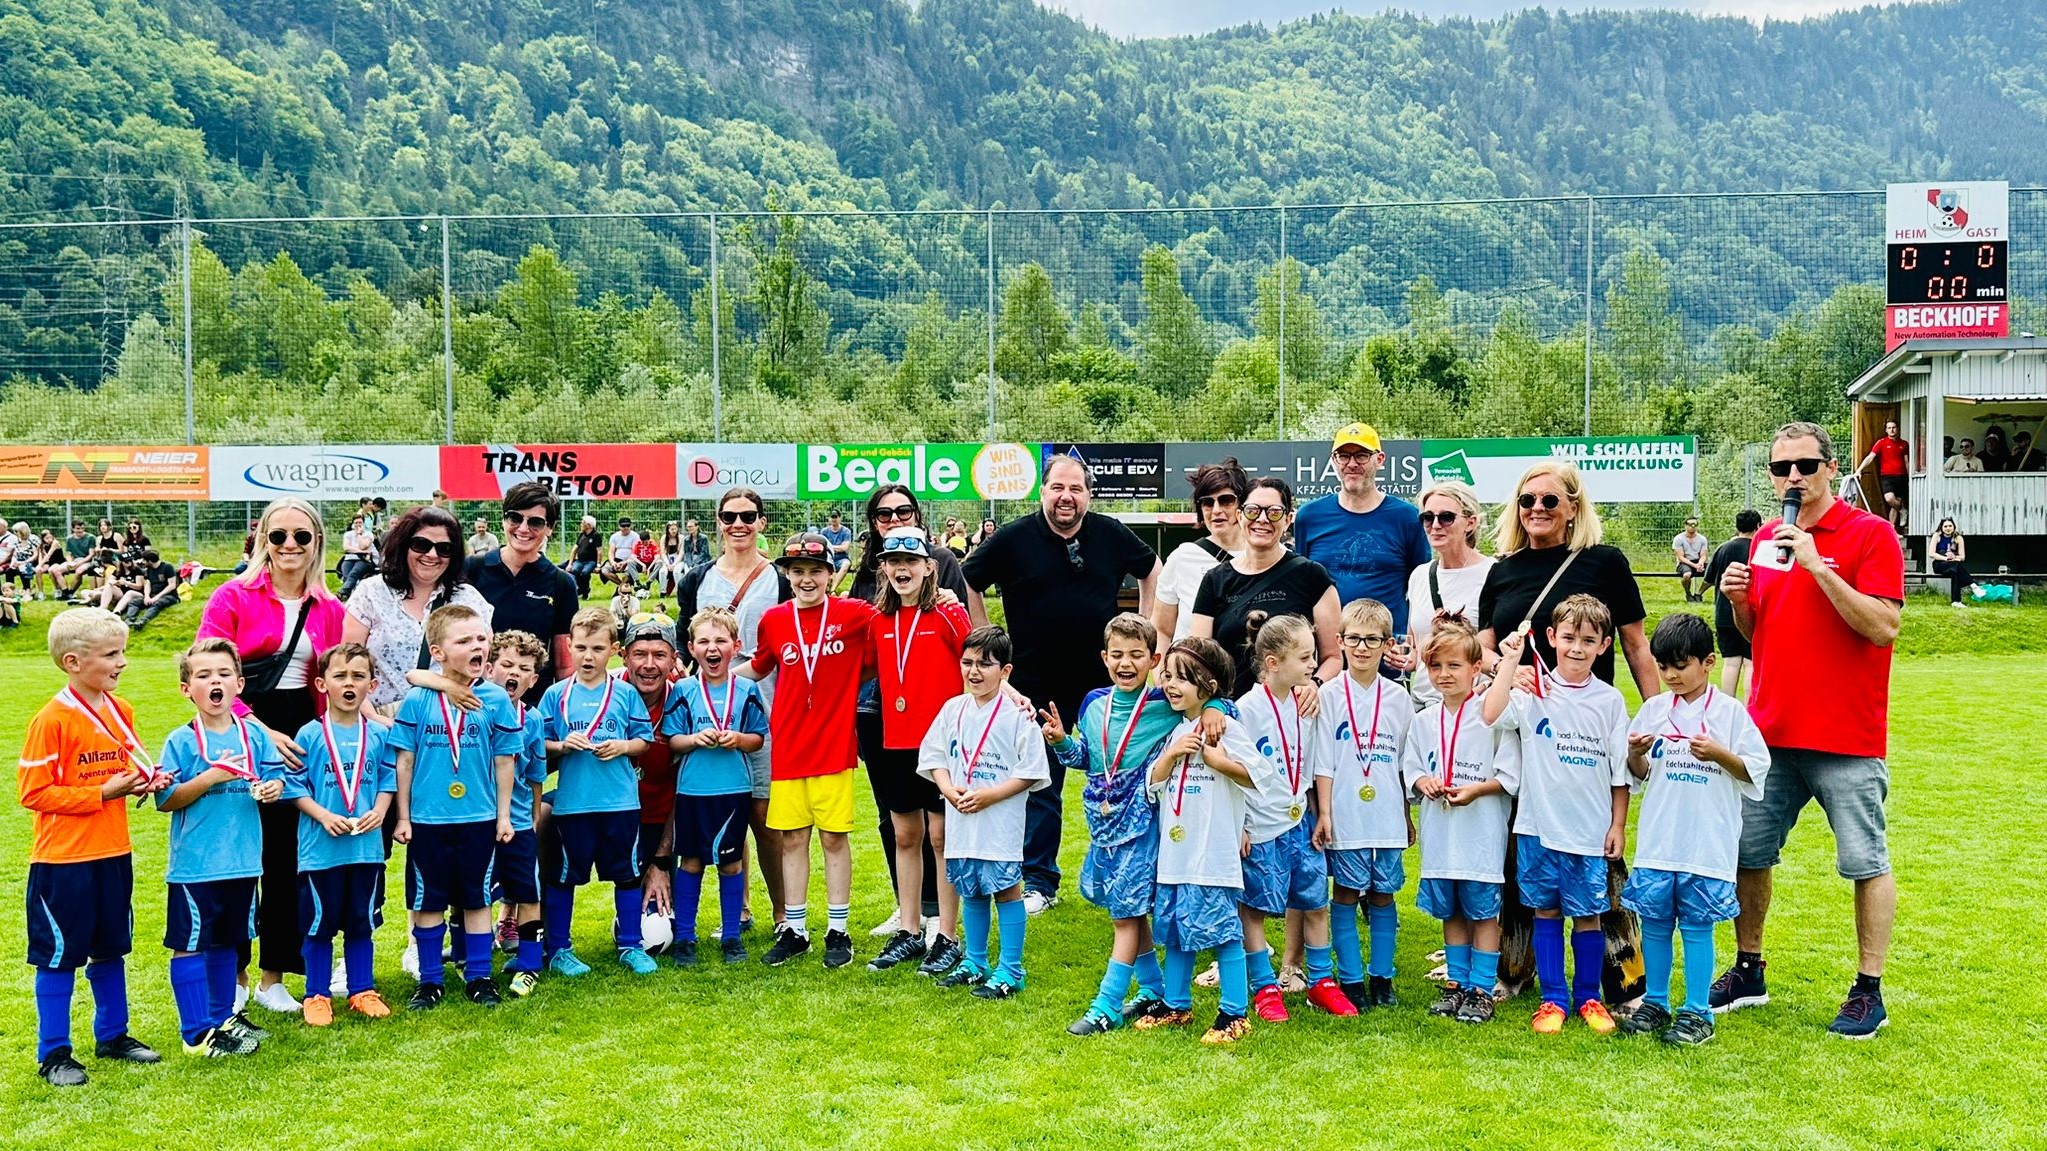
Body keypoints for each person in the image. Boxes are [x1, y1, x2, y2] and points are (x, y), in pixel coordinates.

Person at [1715, 421, 1903, 1039]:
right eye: (1781, 468)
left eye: (1804, 465)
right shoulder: (1766, 538)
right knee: (1748, 853)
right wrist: (1740, 602)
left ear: (1831, 468)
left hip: (1846, 736)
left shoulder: (1870, 534)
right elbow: (1758, 633)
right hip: (1771, 733)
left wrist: (1819, 567)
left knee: (1864, 862)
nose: (1792, 477)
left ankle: (1868, 990)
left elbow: (1883, 627)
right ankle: (1749, 969)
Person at [965, 455, 1159, 913]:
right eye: (1057, 487)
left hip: (1102, 686)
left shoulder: (1110, 533)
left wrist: (1144, 628)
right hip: (1034, 684)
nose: (1066, 497)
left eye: (1075, 489)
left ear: (1088, 494)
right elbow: (969, 579)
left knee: (1118, 779)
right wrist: (988, 641)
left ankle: (1125, 872)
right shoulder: (1012, 538)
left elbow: (1152, 569)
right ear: (1043, 492)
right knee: (1041, 784)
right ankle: (1039, 881)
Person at [196, 497, 347, 1015]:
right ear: (263, 538)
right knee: (238, 857)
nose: (289, 545)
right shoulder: (232, 596)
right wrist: (259, 731)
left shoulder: (329, 607)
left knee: (287, 858)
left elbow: (331, 681)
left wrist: (328, 741)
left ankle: (274, 976)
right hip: (240, 727)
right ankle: (235, 973)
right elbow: (209, 669)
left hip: (300, 733)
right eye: (278, 535)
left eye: (301, 536)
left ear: (316, 543)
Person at [18, 608, 170, 1086]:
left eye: (122, 651)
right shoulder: (51, 720)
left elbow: (124, 770)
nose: (122, 662)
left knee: (110, 949)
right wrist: (100, 793)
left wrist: (146, 781)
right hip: (63, 861)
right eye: (111, 654)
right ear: (73, 662)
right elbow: (33, 793)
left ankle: (113, 1035)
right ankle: (54, 1053)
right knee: (59, 955)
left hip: (113, 852)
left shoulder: (120, 709)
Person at [1618, 614, 1771, 1047]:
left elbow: (1755, 770)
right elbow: (1640, 773)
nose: (1671, 675)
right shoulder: (1654, 710)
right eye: (1663, 666)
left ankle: (1698, 1011)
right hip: (1660, 842)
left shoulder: (1730, 714)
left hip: (1705, 845)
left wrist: (1720, 754)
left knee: (1697, 926)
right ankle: (1656, 1002)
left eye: (1681, 666)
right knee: (1655, 923)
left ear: (1708, 662)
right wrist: (1635, 753)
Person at [1484, 597, 1631, 1036]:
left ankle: (1588, 997)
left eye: (1588, 640)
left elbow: (1619, 772)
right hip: (1538, 829)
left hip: (1588, 832)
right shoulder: (1532, 693)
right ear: (1551, 638)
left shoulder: (1610, 701)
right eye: (1568, 638)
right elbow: (1491, 713)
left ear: (1604, 645)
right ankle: (1552, 999)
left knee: (1588, 915)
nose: (1576, 648)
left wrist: (1617, 824)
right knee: (1546, 912)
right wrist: (1510, 662)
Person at [746, 532, 877, 969]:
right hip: (788, 747)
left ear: (829, 574)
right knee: (792, 839)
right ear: (787, 574)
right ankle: (796, 929)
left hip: (834, 746)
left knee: (834, 838)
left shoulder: (854, 614)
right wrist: (708, 679)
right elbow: (760, 666)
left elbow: (887, 636)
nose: (806, 579)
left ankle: (838, 929)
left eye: (816, 571)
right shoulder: (774, 619)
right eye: (798, 571)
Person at [155, 638, 289, 1061]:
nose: (215, 681)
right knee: (191, 943)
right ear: (187, 689)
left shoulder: (254, 734)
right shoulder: (181, 740)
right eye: (204, 675)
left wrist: (273, 788)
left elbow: (276, 776)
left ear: (239, 684)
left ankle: (221, 1020)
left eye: (224, 673)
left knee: (228, 942)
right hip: (196, 866)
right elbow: (166, 799)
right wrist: (211, 777)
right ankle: (195, 1034)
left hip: (243, 861)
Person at [1047, 613, 1180, 1034]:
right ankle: (1154, 989)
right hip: (1102, 825)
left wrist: (1213, 707)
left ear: (1154, 660)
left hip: (1142, 825)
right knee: (1127, 911)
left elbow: (1217, 704)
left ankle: (1106, 1005)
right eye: (1117, 654)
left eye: (1137, 655)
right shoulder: (1093, 703)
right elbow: (1088, 758)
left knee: (1125, 916)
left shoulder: (1166, 704)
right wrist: (1062, 742)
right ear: (1104, 657)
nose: (1126, 663)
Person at [848, 484, 970, 940]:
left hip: (940, 743)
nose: (902, 569)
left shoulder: (948, 613)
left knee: (941, 836)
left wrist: (1010, 695)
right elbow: (857, 669)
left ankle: (946, 932)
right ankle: (909, 926)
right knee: (904, 834)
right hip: (894, 738)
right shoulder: (878, 621)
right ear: (882, 567)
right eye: (893, 561)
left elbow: (977, 662)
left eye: (911, 561)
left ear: (928, 566)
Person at [389, 604, 521, 1010]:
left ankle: (479, 976)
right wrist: (403, 816)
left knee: (477, 899)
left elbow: (504, 761)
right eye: (464, 640)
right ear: (438, 652)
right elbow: (405, 761)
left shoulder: (495, 699)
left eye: (481, 638)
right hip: (427, 820)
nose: (477, 646)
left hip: (478, 819)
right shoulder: (418, 700)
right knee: (428, 902)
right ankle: (430, 981)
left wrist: (503, 815)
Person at [1134, 637, 1264, 1046]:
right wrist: (1170, 756)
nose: (1170, 685)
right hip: (1176, 856)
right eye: (1167, 676)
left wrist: (1219, 762)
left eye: (1182, 678)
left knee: (1223, 930)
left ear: (1208, 685)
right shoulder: (1176, 731)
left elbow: (1262, 778)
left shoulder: (1225, 729)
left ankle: (1234, 1013)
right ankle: (1176, 1004)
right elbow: (1151, 787)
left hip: (1212, 855)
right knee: (1176, 929)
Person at [673, 488, 793, 933]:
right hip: (706, 715)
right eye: (729, 516)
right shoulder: (697, 578)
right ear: (718, 521)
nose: (738, 524)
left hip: (763, 712)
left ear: (762, 521)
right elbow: (685, 641)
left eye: (747, 516)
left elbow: (786, 646)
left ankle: (783, 912)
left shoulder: (778, 579)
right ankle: (738, 910)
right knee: (730, 811)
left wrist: (735, 678)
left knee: (764, 816)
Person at [1234, 614, 1356, 1021]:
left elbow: (1318, 760)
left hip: (1301, 821)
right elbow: (1234, 774)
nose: (1313, 664)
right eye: (1305, 657)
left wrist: (1321, 813)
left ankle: (1321, 982)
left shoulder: (1308, 702)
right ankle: (1264, 987)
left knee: (1314, 901)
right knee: (1253, 908)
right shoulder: (1246, 710)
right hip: (1260, 826)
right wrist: (1240, 825)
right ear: (1272, 663)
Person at [919, 625, 1050, 1001]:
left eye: (985, 664)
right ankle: (975, 961)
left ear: (1005, 671)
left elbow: (1031, 771)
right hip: (962, 818)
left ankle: (1011, 969)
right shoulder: (952, 709)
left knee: (1006, 889)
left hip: (999, 821)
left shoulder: (1018, 716)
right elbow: (935, 756)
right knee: (971, 888)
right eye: (967, 663)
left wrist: (991, 796)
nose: (974, 671)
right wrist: (948, 790)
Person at [1402, 619, 1517, 1026]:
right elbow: (1412, 767)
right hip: (1441, 836)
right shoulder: (1423, 720)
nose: (1444, 674)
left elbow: (1509, 775)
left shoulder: (1492, 717)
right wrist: (1424, 782)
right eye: (1436, 667)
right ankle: (1458, 983)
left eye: (1454, 666)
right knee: (1450, 913)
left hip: (1480, 836)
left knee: (1483, 913)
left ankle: (1481, 990)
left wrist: (1476, 790)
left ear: (1475, 668)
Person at [278, 643, 398, 1027]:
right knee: (319, 924)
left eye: (358, 676)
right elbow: (294, 785)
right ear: (321, 684)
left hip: (365, 849)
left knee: (362, 921)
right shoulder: (310, 734)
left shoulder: (377, 735)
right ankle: (317, 994)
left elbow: (388, 778)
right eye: (340, 676)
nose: (349, 684)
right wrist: (324, 815)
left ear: (372, 686)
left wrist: (380, 810)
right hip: (321, 851)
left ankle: (362, 990)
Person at [538, 609, 655, 977]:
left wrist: (622, 746)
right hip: (573, 804)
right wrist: (561, 746)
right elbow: (539, 743)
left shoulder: (625, 694)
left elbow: (644, 741)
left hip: (620, 802)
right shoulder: (556, 695)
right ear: (569, 647)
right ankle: (559, 949)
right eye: (581, 648)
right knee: (564, 876)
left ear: (614, 651)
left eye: (598, 649)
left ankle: (631, 945)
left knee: (627, 874)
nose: (588, 657)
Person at [1476, 460, 1657, 698]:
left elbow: (1636, 645)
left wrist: (1655, 711)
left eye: (1549, 500)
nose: (1537, 508)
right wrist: (1505, 669)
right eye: (1527, 500)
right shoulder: (1501, 571)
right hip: (1516, 709)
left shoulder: (1606, 563)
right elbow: (1481, 648)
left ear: (1573, 508)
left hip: (1583, 710)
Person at [1316, 598, 1415, 1013]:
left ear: (1387, 644)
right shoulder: (1328, 696)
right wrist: (1324, 812)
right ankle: (1352, 978)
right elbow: (1323, 761)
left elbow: (1405, 761)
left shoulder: (1398, 698)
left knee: (1383, 894)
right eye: (1354, 639)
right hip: (1345, 814)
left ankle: (1382, 977)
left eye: (1371, 640)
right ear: (1339, 641)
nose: (1361, 647)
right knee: (1345, 891)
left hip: (1386, 815)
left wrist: (1406, 815)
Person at [664, 607, 769, 965]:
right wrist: (695, 739)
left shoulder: (747, 689)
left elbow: (758, 737)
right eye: (704, 641)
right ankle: (685, 937)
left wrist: (737, 738)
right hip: (693, 791)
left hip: (733, 789)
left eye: (721, 641)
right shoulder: (684, 690)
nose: (712, 648)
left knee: (731, 863)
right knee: (691, 861)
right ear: (692, 648)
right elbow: (673, 739)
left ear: (736, 647)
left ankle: (732, 937)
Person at [1190, 478, 1342, 697]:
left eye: (1274, 512)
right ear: (1240, 516)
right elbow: (1200, 657)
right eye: (1253, 511)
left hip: (1293, 708)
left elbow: (1333, 657)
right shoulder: (1214, 580)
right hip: (1231, 710)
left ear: (1287, 520)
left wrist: (1315, 684)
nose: (1262, 519)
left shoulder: (1312, 576)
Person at [343, 505, 493, 717]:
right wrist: (372, 719)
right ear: (403, 545)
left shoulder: (469, 599)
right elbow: (348, 665)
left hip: (450, 719)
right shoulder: (371, 593)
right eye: (421, 545)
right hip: (383, 718)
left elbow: (484, 666)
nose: (432, 554)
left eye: (444, 548)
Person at [1293, 422, 1430, 637]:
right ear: (1334, 461)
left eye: (1361, 456)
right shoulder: (1309, 516)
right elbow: (1302, 584)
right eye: (1344, 456)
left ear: (1380, 460)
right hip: (1328, 645)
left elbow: (1420, 585)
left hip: (1387, 645)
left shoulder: (1408, 517)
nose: (1352, 464)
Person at [466, 482, 580, 705]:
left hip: (532, 706)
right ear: (503, 520)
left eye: (535, 522)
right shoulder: (472, 569)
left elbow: (564, 665)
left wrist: (561, 711)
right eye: (515, 518)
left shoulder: (561, 583)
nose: (523, 528)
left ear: (550, 528)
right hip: (473, 702)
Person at [480, 630, 549, 996]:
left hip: (518, 821)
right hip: (475, 818)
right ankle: (469, 958)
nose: (514, 673)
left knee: (527, 890)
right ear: (489, 668)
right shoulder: (472, 708)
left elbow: (536, 773)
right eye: (507, 664)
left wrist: (535, 813)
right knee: (472, 892)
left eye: (524, 669)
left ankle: (529, 963)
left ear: (533, 680)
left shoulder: (533, 720)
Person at [1406, 480, 1495, 707]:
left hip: (1474, 706)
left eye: (1446, 517)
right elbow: (1415, 646)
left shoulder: (1494, 573)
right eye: (1428, 518)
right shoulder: (1419, 575)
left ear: (1470, 522)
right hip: (1424, 707)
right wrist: (1404, 658)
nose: (1435, 525)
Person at [1152, 457, 1248, 645]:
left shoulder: (1265, 556)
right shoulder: (1182, 557)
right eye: (1207, 502)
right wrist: (1161, 665)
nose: (1216, 510)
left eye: (1226, 500)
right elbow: (1161, 630)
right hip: (1192, 661)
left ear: (1243, 505)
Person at [1705, 510, 1762, 696]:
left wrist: (1698, 592)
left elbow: (1709, 578)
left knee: (1730, 662)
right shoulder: (1759, 548)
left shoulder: (1723, 548)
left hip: (1723, 613)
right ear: (1758, 526)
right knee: (1750, 663)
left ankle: (1727, 703)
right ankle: (1747, 706)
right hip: (1748, 614)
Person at [1855, 419, 1910, 533]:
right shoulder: (1881, 443)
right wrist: (1859, 470)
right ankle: (1902, 510)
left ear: (1897, 429)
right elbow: (1870, 457)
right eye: (1889, 428)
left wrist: (1910, 476)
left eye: (1893, 427)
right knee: (1889, 499)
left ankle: (1891, 529)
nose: (1892, 430)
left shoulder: (1904, 444)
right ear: (1886, 430)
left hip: (1901, 476)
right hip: (1887, 476)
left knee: (1895, 504)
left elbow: (1907, 461)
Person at [116, 549, 181, 628]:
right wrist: (147, 596)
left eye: (144, 560)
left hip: (170, 596)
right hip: (152, 595)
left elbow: (172, 586)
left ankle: (142, 621)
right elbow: (148, 583)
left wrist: (156, 597)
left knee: (157, 603)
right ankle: (129, 620)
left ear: (150, 561)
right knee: (134, 602)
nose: (142, 562)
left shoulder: (167, 567)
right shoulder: (149, 569)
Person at [1930, 517, 1970, 606]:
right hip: (1940, 564)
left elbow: (1962, 557)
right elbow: (1931, 554)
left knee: (1955, 572)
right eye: (1945, 526)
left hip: (1953, 563)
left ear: (1954, 527)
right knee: (1956, 566)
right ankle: (1972, 584)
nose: (1948, 528)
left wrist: (1954, 557)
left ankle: (1956, 601)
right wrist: (1945, 558)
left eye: (1950, 526)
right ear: (1941, 527)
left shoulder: (1958, 538)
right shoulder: (1937, 536)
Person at [1672, 517, 1711, 604]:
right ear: (1685, 526)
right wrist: (1695, 566)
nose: (1692, 527)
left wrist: (1700, 564)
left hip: (1698, 561)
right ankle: (1688, 594)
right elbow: (1681, 557)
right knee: (1687, 575)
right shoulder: (1678, 539)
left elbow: (1703, 555)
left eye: (1695, 524)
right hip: (1684, 562)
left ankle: (1699, 594)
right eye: (1690, 524)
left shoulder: (1702, 539)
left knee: (1714, 572)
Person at [338, 516, 377, 600]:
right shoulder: (348, 534)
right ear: (353, 524)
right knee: (346, 576)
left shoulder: (369, 534)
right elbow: (346, 547)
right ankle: (349, 597)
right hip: (349, 558)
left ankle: (342, 593)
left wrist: (359, 534)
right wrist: (361, 552)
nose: (358, 524)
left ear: (363, 524)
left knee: (354, 573)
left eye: (360, 523)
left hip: (364, 560)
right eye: (356, 523)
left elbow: (363, 546)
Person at [602, 516, 643, 590]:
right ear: (619, 526)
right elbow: (611, 552)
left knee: (628, 573)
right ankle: (623, 587)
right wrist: (613, 563)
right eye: (623, 526)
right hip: (616, 560)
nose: (626, 528)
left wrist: (625, 563)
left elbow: (635, 553)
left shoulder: (636, 536)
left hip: (630, 561)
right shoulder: (614, 536)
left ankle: (621, 589)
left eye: (628, 526)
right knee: (604, 571)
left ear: (631, 526)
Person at [567, 516, 601, 597]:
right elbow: (574, 549)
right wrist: (570, 564)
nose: (581, 524)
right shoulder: (581, 535)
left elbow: (599, 551)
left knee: (585, 572)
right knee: (575, 570)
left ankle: (585, 590)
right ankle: (582, 589)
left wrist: (598, 565)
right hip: (580, 561)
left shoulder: (596, 535)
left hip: (591, 561)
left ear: (588, 525)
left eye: (583, 523)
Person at [820, 511, 853, 575]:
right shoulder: (824, 531)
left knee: (846, 564)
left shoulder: (846, 531)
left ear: (840, 518)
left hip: (841, 559)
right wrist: (838, 547)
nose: (834, 519)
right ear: (829, 519)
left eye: (836, 517)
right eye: (832, 517)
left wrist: (829, 546)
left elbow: (844, 548)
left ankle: (835, 582)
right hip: (827, 558)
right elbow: (822, 546)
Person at [656, 521, 683, 594]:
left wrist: (674, 564)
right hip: (667, 561)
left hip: (678, 561)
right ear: (668, 530)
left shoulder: (681, 538)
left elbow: (681, 553)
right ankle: (663, 592)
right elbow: (663, 553)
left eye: (675, 529)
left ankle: (679, 591)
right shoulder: (664, 538)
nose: (674, 531)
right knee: (662, 572)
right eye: (672, 529)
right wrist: (668, 564)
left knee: (677, 571)